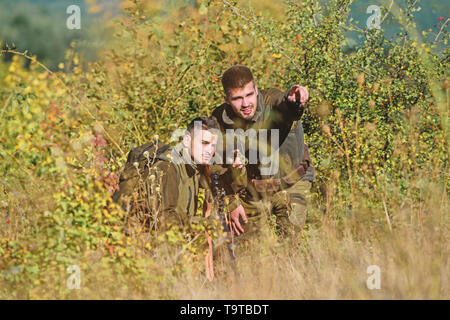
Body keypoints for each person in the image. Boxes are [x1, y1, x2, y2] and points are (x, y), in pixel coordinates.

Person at [211, 65, 315, 240]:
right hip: (253, 191)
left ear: (256, 90)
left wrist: (293, 100)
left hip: (292, 184)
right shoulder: (220, 118)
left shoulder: (271, 101)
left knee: (290, 246)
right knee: (250, 254)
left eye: (249, 95)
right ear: (227, 99)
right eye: (237, 98)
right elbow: (217, 166)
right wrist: (231, 203)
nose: (245, 104)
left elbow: (283, 104)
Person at [112, 116, 228, 233]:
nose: (209, 150)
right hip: (142, 241)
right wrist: (203, 224)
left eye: (213, 145)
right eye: (204, 143)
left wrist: (234, 167)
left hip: (171, 241)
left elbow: (222, 177)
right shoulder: (168, 168)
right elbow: (163, 218)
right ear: (187, 140)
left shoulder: (193, 166)